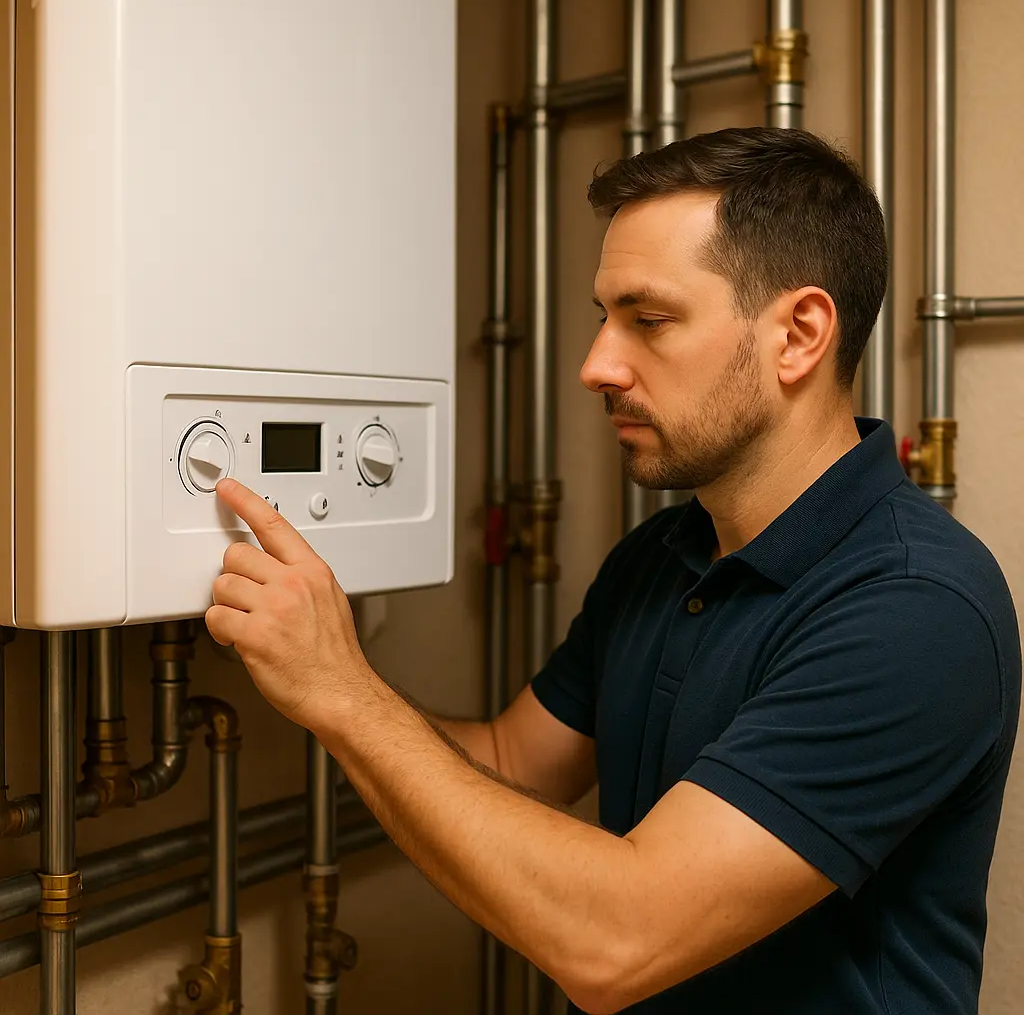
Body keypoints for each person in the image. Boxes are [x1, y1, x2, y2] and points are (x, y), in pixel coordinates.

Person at [205, 127, 1021, 1014]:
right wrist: (310, 664)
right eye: (604, 317)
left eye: (650, 319)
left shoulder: (913, 609)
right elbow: (514, 764)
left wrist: (342, 693)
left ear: (800, 335)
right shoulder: (663, 555)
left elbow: (617, 939)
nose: (597, 364)